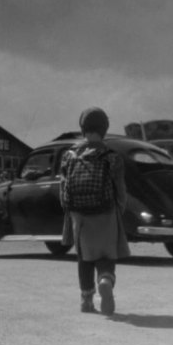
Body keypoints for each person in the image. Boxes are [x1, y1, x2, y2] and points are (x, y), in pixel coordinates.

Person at [60, 107, 130, 315]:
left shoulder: (69, 155)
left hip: (79, 216)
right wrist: (119, 209)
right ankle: (105, 280)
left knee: (85, 259)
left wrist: (71, 213)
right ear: (104, 129)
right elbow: (121, 190)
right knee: (106, 256)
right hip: (106, 213)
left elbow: (63, 190)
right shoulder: (112, 157)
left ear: (83, 128)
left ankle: (87, 300)